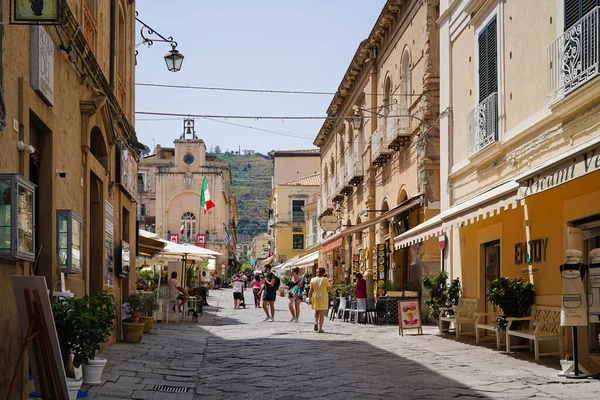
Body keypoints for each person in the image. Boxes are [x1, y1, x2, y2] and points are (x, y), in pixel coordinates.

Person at [309, 266, 331, 333]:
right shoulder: (325, 279)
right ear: (323, 273)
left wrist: (309, 298)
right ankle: (320, 328)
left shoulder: (313, 280)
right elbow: (328, 288)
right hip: (323, 296)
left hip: (315, 296)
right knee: (322, 313)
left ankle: (316, 322)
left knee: (317, 311)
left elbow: (311, 290)